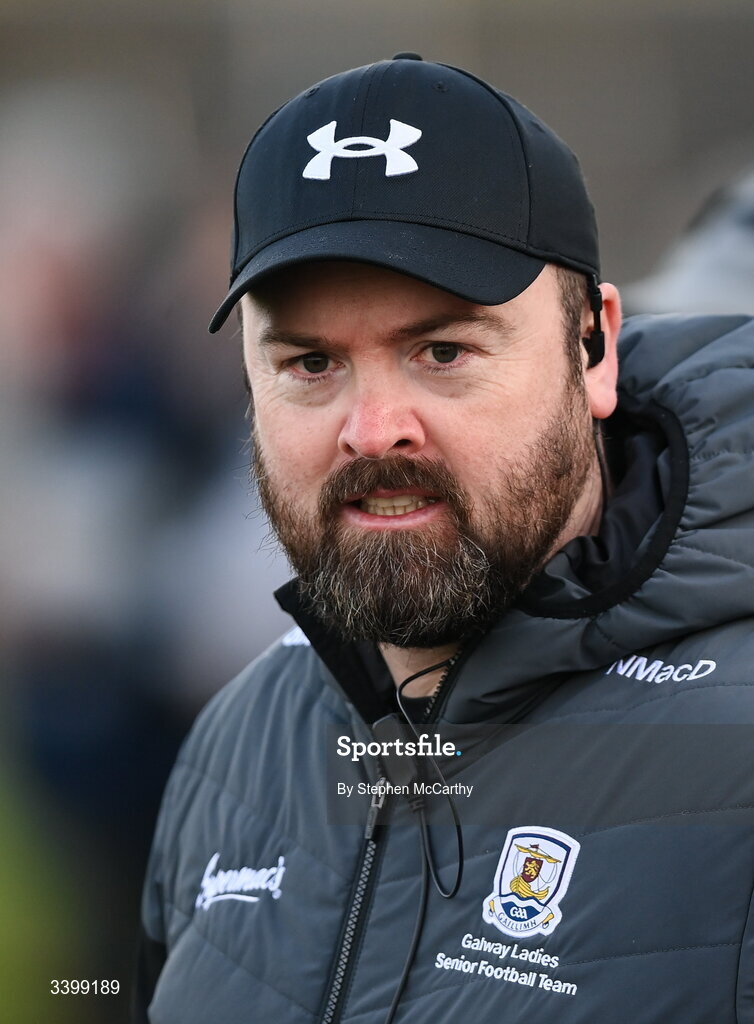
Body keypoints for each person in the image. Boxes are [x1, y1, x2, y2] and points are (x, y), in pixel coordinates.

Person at [134, 55, 754, 1024]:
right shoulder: (235, 743)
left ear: (591, 348)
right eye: (309, 362)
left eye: (442, 350)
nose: (373, 427)